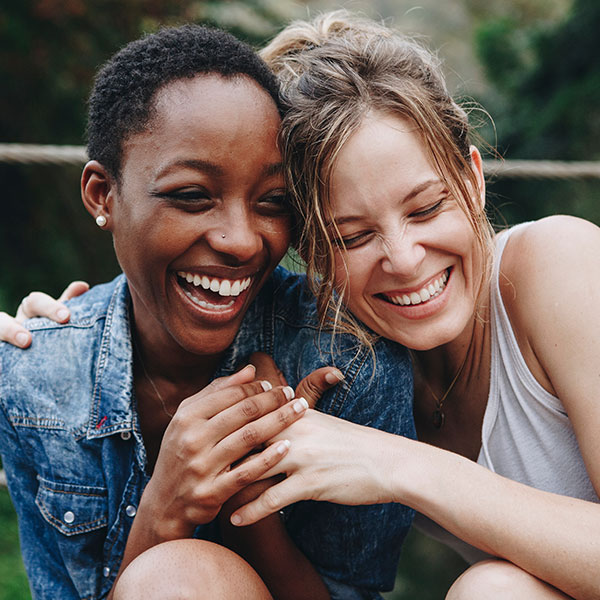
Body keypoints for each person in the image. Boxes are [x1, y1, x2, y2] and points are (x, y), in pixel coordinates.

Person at [0, 23, 415, 600]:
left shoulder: (351, 363)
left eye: (273, 202)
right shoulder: (33, 377)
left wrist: (254, 507)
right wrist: (163, 511)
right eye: (193, 195)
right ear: (103, 195)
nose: (243, 241)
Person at [225, 11, 599, 600]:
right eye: (352, 236)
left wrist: (400, 466)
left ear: (472, 179)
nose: (403, 259)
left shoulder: (559, 265)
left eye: (425, 208)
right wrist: (57, 330)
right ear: (312, 254)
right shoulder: (344, 360)